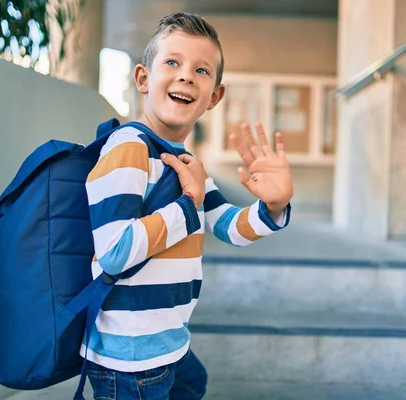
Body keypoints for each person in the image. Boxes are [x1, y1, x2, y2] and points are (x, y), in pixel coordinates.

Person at [82, 11, 293, 399]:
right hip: (128, 355)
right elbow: (114, 252)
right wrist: (188, 202)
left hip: (167, 342)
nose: (186, 76)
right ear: (144, 79)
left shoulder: (185, 162)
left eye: (201, 70)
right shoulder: (128, 147)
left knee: (193, 384)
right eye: (173, 63)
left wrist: (273, 207)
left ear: (214, 96)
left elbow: (227, 224)